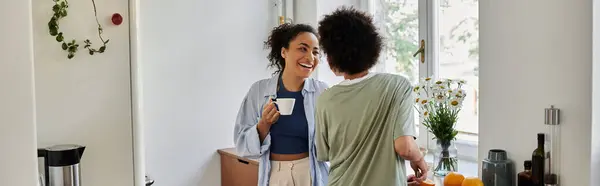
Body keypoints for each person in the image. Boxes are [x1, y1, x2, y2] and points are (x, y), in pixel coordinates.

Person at [315, 6, 428, 186]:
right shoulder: (397, 85)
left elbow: (325, 154)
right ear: (373, 47)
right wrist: (420, 159)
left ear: (331, 59)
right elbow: (405, 147)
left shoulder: (325, 100)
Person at [234, 23, 329, 186]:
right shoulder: (259, 90)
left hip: (310, 174)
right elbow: (241, 145)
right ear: (284, 52)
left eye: (315, 52)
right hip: (275, 175)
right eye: (303, 49)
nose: (310, 58)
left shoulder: (322, 92)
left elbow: (332, 143)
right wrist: (263, 125)